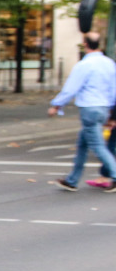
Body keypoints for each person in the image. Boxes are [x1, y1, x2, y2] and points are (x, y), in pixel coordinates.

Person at [48, 31, 116, 192]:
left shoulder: (83, 65)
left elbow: (70, 89)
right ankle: (72, 180)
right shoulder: (109, 63)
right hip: (104, 108)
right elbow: (114, 90)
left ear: (85, 45)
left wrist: (56, 105)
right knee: (83, 145)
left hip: (89, 109)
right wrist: (112, 113)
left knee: (98, 146)